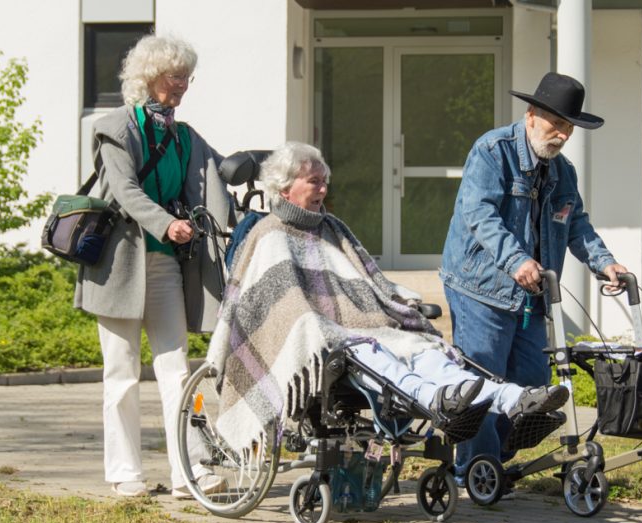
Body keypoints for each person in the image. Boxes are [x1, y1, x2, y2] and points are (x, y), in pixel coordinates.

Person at [206, 142, 569, 459]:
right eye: (313, 181)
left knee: (424, 349)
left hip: (365, 322)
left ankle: (514, 401)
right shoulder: (269, 234)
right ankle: (439, 401)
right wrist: (315, 321)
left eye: (324, 180)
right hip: (330, 335)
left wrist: (395, 299)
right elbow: (277, 300)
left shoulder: (332, 227)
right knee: (375, 355)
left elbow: (367, 278)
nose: (323, 188)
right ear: (285, 189)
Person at [439, 72, 628, 487]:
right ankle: (475, 472)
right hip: (479, 288)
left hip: (533, 292)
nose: (561, 135)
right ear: (530, 117)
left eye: (568, 128)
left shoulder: (564, 173)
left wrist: (605, 263)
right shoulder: (492, 152)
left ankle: (494, 458)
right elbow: (480, 216)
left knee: (533, 384)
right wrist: (516, 259)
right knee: (483, 381)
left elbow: (576, 224)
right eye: (554, 124)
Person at [74, 35, 229, 498]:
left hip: (165, 267)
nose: (182, 86)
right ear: (149, 77)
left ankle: (191, 471)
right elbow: (124, 190)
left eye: (187, 78)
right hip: (117, 263)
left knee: (179, 371)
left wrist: (278, 175)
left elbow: (221, 172)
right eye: (174, 77)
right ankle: (125, 473)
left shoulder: (182, 135)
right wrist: (167, 224)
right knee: (120, 373)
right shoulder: (115, 127)